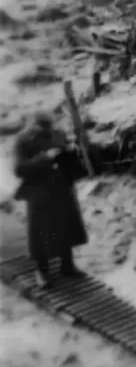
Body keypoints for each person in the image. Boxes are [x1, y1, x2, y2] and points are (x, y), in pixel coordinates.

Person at [12, 112, 87, 287]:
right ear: (34, 125)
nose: (47, 129)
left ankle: (67, 265)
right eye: (42, 126)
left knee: (66, 225)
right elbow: (20, 169)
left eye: (48, 126)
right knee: (42, 231)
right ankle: (42, 270)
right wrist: (45, 157)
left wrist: (71, 151)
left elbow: (69, 158)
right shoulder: (23, 141)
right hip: (39, 191)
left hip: (61, 187)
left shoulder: (58, 134)